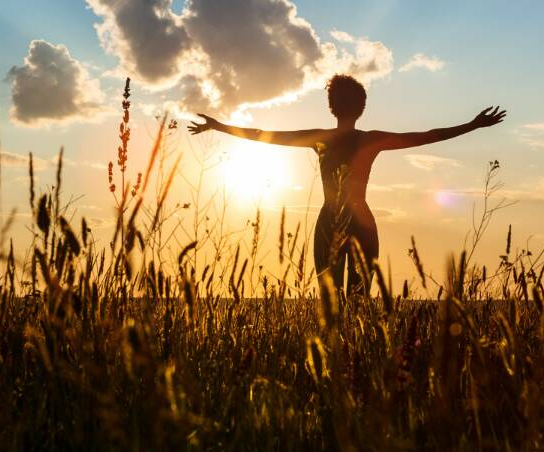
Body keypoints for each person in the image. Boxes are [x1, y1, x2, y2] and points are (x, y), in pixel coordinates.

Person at [190, 75, 506, 293]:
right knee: (357, 299)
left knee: (330, 300)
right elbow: (426, 136)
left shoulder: (320, 139)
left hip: (329, 220)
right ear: (361, 107)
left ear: (332, 107)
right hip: (363, 224)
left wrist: (219, 126)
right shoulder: (370, 140)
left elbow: (262, 134)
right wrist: (473, 125)